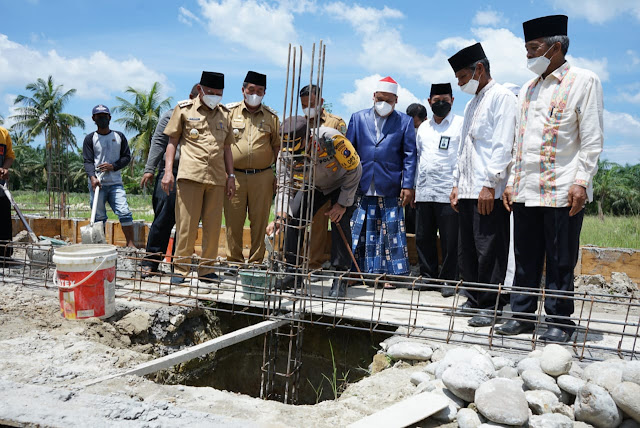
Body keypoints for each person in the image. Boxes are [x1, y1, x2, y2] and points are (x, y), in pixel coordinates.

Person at [496, 15, 603, 343]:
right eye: (526, 48)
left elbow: (592, 137)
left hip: (561, 190)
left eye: (533, 48)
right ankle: (523, 315)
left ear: (556, 47)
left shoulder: (584, 81)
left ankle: (559, 319)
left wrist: (581, 182)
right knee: (525, 256)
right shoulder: (528, 89)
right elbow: (520, 140)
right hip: (527, 190)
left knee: (560, 258)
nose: (528, 55)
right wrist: (513, 182)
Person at [447, 43, 517, 326]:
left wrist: (490, 184)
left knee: (489, 248)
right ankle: (475, 298)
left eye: (463, 77)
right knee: (469, 248)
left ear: (479, 69)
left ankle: (491, 304)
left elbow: (503, 145)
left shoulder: (502, 98)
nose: (461, 83)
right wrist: (455, 184)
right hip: (467, 189)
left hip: (487, 189)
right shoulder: (471, 103)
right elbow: (463, 148)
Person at [268, 117, 361, 298]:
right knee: (294, 218)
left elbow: (355, 169)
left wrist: (341, 204)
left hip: (342, 184)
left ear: (308, 138)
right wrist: (280, 216)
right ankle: (292, 272)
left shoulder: (332, 140)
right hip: (314, 186)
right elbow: (285, 185)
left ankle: (340, 276)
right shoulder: (285, 153)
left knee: (339, 222)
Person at [161, 71, 236, 287]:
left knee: (213, 227)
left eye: (219, 93)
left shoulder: (224, 114)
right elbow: (172, 142)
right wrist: (168, 171)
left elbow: (227, 148)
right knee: (186, 226)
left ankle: (207, 270)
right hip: (190, 176)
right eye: (210, 92)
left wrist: (231, 176)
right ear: (200, 90)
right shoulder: (184, 110)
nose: (215, 96)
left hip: (216, 178)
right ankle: (181, 268)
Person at [347, 76, 417, 281]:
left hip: (390, 183)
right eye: (379, 99)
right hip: (362, 181)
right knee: (359, 229)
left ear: (396, 100)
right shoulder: (358, 118)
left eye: (388, 100)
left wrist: (408, 185)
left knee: (390, 231)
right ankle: (356, 271)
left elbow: (410, 155)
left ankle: (389, 275)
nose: (383, 104)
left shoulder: (404, 122)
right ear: (373, 97)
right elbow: (348, 152)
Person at [139, 84, 199, 278]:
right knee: (163, 218)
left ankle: (179, 266)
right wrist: (149, 170)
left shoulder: (211, 118)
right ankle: (151, 262)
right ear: (191, 96)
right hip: (171, 171)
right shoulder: (171, 115)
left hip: (195, 174)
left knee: (187, 223)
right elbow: (158, 142)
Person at [223, 71, 280, 265]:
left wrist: (278, 175)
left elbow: (277, 147)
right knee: (233, 221)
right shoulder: (228, 113)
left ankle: (256, 261)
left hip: (263, 176)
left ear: (265, 93)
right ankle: (234, 261)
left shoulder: (272, 117)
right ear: (243, 90)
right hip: (234, 176)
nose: (255, 93)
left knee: (260, 221)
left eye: (260, 90)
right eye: (251, 90)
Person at [414, 83, 463, 296]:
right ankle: (428, 276)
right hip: (424, 190)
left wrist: (458, 186)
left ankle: (450, 280)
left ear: (452, 100)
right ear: (429, 102)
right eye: (436, 100)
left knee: (450, 239)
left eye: (445, 99)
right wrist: (415, 187)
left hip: (448, 192)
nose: (441, 103)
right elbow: (417, 157)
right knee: (423, 237)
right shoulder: (423, 128)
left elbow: (463, 157)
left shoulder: (460, 124)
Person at [299, 84, 348, 273]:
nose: (307, 108)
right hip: (304, 180)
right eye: (304, 105)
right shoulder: (300, 123)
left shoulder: (335, 123)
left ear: (320, 102)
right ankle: (296, 263)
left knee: (319, 225)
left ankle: (313, 265)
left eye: (311, 103)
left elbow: (343, 154)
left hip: (328, 182)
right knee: (299, 222)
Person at [82, 105, 136, 247]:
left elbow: (126, 157)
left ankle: (130, 244)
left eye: (104, 116)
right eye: (99, 117)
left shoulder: (119, 137)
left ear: (109, 118)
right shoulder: (90, 139)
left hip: (115, 183)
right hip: (97, 184)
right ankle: (99, 245)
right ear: (94, 119)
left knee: (124, 212)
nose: (102, 119)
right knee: (99, 217)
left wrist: (113, 166)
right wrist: (92, 178)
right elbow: (87, 161)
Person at [404, 103, 427, 236]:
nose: (413, 127)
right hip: (409, 187)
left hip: (426, 188)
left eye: (416, 124)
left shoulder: (429, 134)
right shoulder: (406, 132)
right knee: (410, 226)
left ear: (424, 119)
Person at [0, 126, 15, 263]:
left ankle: (4, 256)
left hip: (1, 189)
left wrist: (4, 168)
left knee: (4, 221)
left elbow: (10, 156)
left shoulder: (4, 133)